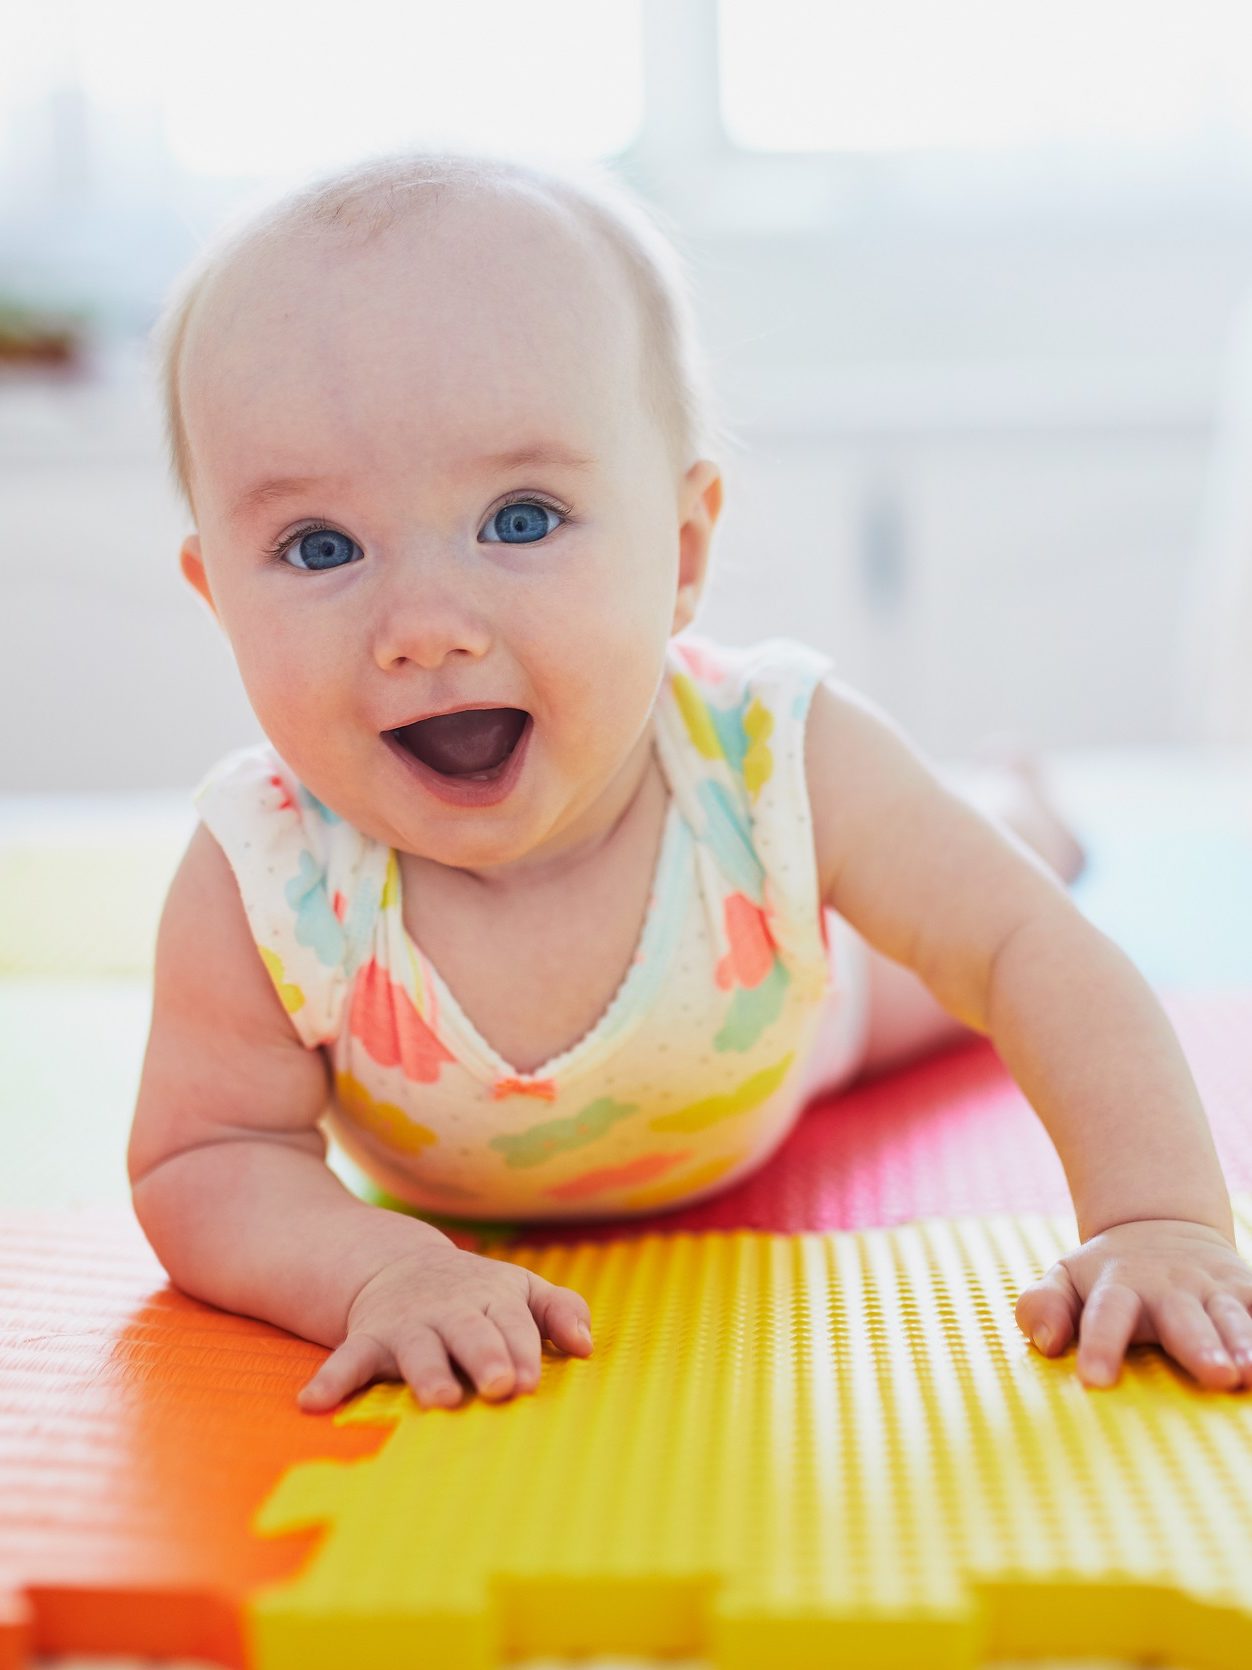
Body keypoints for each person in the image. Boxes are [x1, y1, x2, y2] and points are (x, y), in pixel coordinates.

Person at [127, 150, 1252, 1416]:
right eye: (319, 546)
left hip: (785, 1005)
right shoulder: (265, 871)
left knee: (979, 898)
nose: (424, 625)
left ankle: (1021, 806)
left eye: (519, 518)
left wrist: (1160, 1216)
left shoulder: (774, 762)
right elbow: (209, 1154)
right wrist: (378, 1268)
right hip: (609, 1102)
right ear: (217, 591)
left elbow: (1028, 951)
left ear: (681, 549)